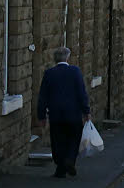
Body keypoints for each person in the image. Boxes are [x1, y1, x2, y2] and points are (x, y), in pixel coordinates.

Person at [37, 47, 91, 178]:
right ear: (68, 58)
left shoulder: (49, 73)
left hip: (56, 114)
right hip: (73, 114)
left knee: (57, 141)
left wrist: (41, 116)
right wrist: (86, 111)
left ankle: (60, 168)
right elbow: (81, 93)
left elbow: (42, 96)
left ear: (55, 59)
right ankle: (70, 160)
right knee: (74, 139)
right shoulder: (75, 71)